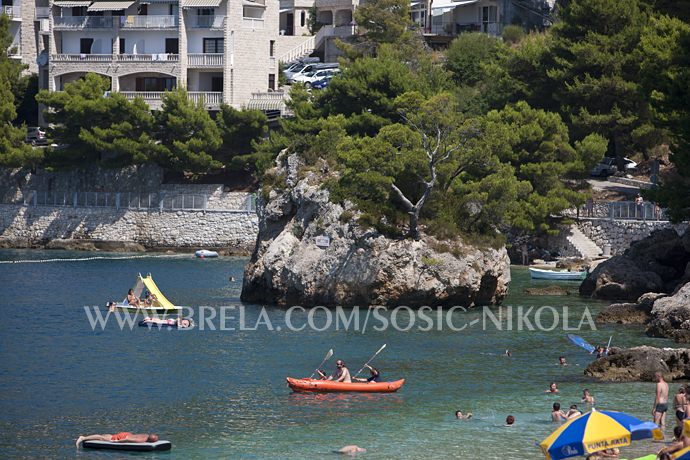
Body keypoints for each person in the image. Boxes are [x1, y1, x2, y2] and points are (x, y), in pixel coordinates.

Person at [76, 432, 158, 447]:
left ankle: (107, 437)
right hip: (124, 437)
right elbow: (127, 440)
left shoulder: (146, 435)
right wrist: (116, 442)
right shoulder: (141, 440)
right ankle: (83, 438)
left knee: (107, 436)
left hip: (127, 434)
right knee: (102, 438)